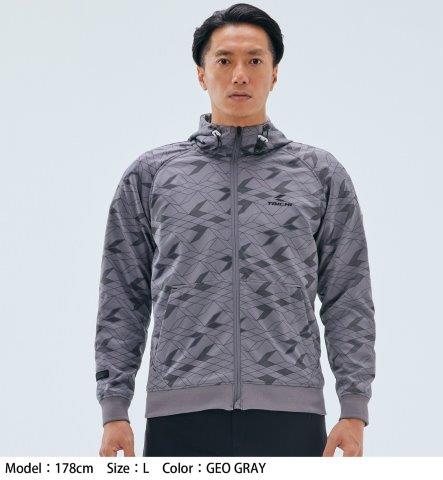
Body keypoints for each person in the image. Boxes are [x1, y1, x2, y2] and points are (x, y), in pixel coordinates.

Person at [95, 3, 376, 457]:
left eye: (255, 60)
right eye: (224, 60)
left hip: (291, 413)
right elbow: (122, 297)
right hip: (178, 415)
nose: (240, 75)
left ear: (275, 73)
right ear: (201, 74)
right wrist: (115, 411)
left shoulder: (319, 174)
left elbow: (348, 294)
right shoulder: (152, 175)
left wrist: (354, 408)